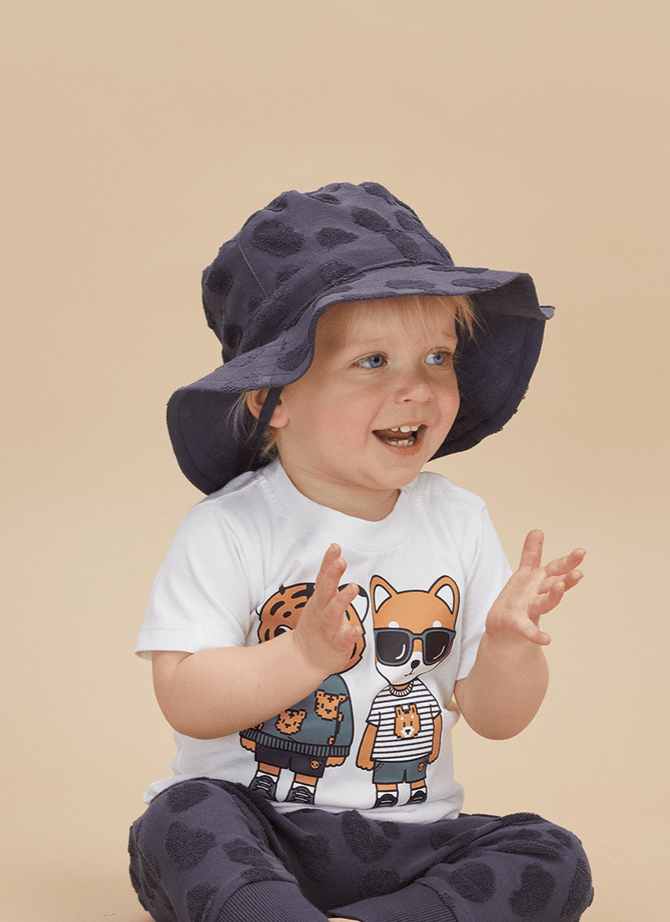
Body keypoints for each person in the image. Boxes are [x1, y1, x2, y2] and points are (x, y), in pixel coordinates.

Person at [129, 182, 594, 922]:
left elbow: (495, 717)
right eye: (373, 361)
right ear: (274, 398)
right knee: (180, 822)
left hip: (410, 839)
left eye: (438, 357)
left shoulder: (459, 520)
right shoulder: (229, 528)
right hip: (259, 825)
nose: (418, 389)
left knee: (549, 853)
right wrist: (301, 654)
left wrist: (507, 647)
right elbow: (186, 699)